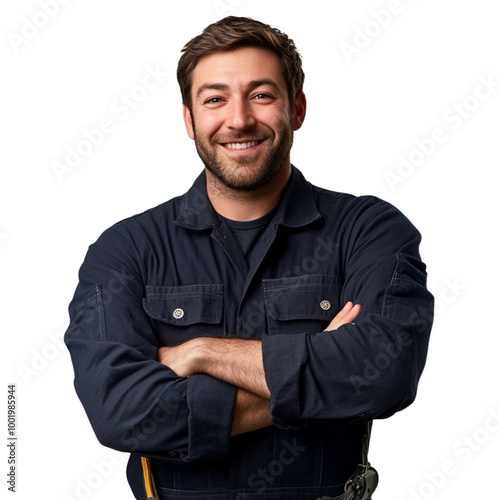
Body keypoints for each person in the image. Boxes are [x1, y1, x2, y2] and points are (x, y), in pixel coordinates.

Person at [64, 16, 433, 500]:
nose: (238, 119)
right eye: (215, 99)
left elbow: (385, 375)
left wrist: (200, 352)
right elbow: (120, 413)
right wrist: (316, 373)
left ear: (296, 109)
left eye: (261, 94)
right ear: (189, 119)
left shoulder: (369, 231)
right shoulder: (127, 249)